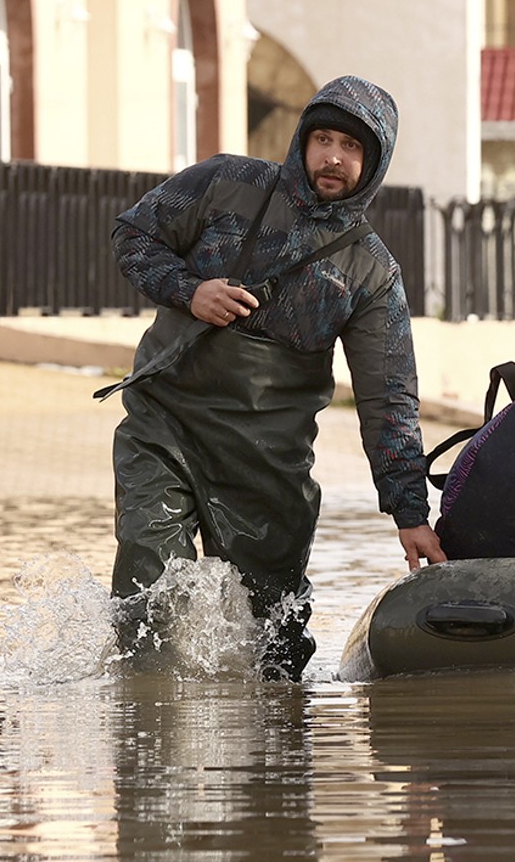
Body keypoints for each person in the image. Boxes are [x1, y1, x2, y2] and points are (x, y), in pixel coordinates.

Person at [107, 75, 444, 679]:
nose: (334, 157)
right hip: (165, 426)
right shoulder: (224, 183)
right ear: (303, 141)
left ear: (373, 163)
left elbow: (388, 399)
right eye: (323, 139)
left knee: (278, 645)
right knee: (146, 589)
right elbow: (133, 233)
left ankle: (276, 759)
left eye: (352, 147)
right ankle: (144, 732)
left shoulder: (372, 274)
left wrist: (410, 513)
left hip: (268, 464)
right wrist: (190, 291)